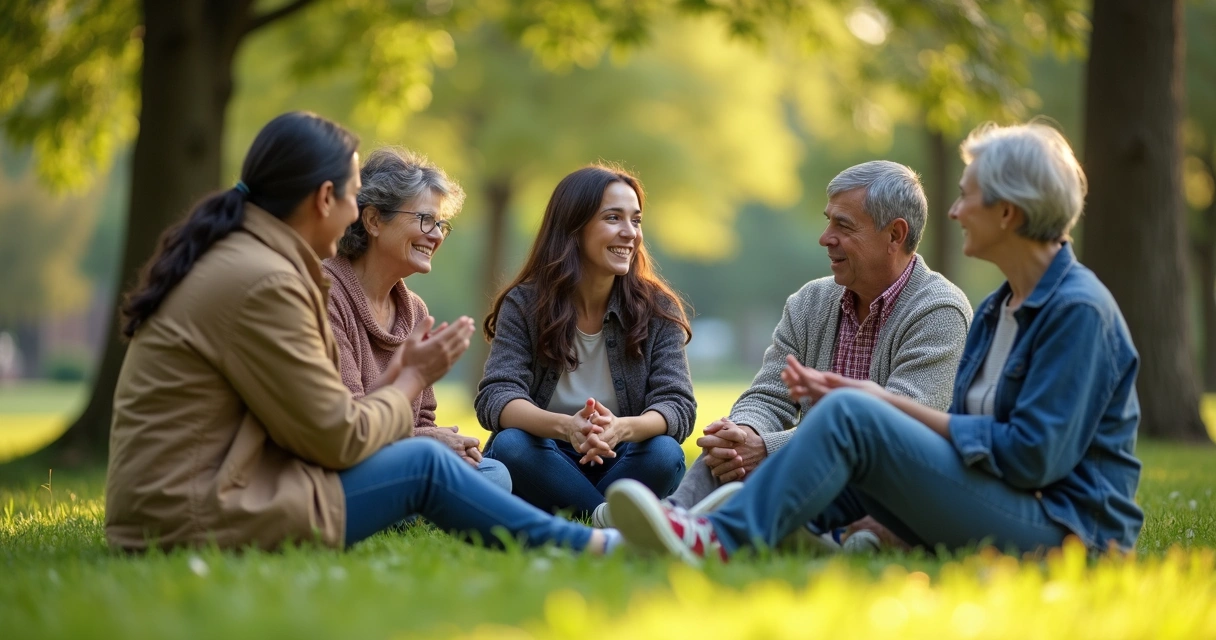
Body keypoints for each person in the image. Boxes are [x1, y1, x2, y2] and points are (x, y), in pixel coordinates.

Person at [607, 122, 1144, 562]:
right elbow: (969, 441)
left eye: (966, 197)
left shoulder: (1076, 311)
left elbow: (1030, 457)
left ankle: (717, 536)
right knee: (844, 420)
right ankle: (702, 523)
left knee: (851, 413)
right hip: (1009, 503)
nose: (954, 212)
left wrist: (877, 403)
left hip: (1072, 535)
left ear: (1007, 213)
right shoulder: (1003, 306)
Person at [104, 112, 616, 555]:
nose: (355, 211)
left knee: (444, 462)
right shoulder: (267, 282)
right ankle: (595, 544)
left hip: (190, 501)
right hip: (190, 515)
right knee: (423, 464)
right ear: (327, 199)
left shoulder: (251, 262)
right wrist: (410, 378)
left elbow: (314, 427)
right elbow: (339, 439)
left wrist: (409, 395)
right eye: (353, 196)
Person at [598, 161, 972, 542]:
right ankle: (674, 519)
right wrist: (743, 433)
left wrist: (766, 447)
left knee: (766, 458)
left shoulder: (939, 311)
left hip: (888, 484)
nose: (825, 237)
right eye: (828, 221)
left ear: (895, 234)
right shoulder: (811, 301)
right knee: (730, 445)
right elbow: (767, 396)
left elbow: (892, 428)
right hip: (809, 473)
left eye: (843, 225)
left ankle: (694, 524)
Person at [476, 164, 695, 518]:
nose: (630, 233)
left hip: (623, 457)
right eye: (613, 218)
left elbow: (677, 405)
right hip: (547, 455)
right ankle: (610, 517)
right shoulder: (524, 304)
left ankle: (582, 516)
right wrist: (567, 427)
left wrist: (621, 429)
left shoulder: (657, 307)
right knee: (511, 446)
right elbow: (497, 398)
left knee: (664, 453)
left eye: (635, 221)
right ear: (573, 228)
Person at [323, 147, 511, 491]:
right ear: (374, 220)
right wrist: (428, 443)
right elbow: (347, 423)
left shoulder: (416, 311)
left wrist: (438, 440)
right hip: (343, 467)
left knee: (494, 472)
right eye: (425, 220)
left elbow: (422, 418)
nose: (437, 235)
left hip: (395, 459)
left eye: (441, 224)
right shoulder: (327, 294)